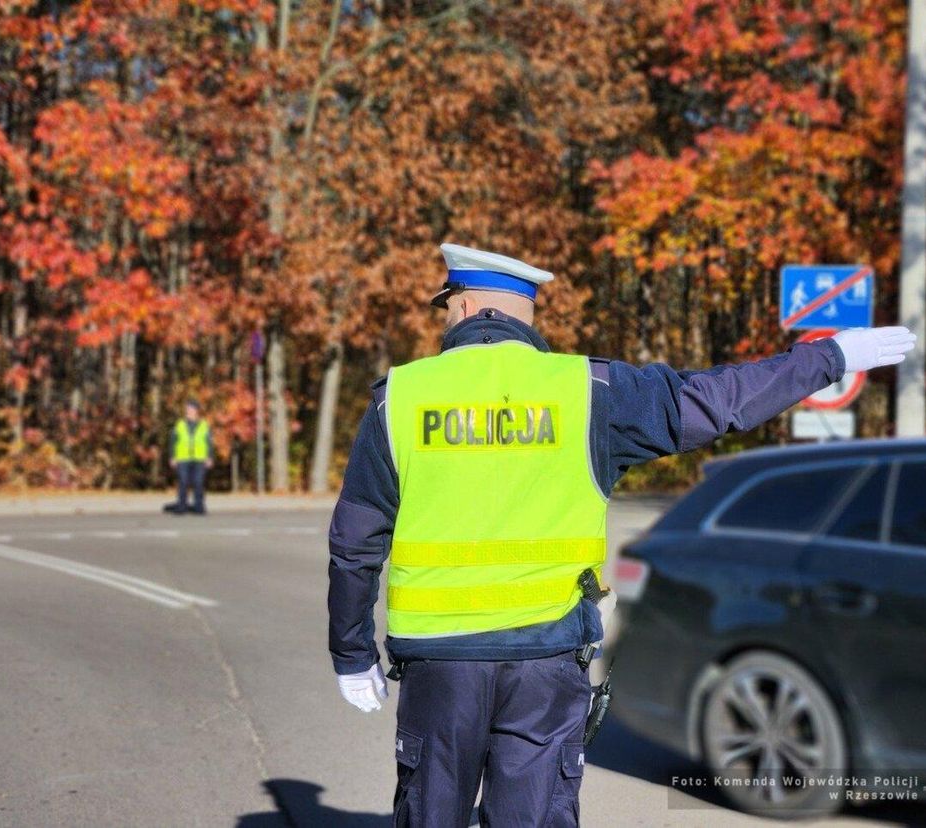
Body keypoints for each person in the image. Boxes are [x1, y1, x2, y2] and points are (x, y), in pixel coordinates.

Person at [327, 243, 915, 827]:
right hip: (547, 661)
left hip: (440, 665)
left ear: (461, 307)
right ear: (524, 313)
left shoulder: (399, 398)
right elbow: (719, 401)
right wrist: (827, 357)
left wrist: (352, 652)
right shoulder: (591, 391)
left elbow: (356, 541)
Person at [166, 400, 213, 515]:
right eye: (187, 410)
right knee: (183, 482)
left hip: (200, 458)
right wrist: (172, 456)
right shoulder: (180, 424)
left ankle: (199, 507)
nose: (188, 412)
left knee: (198, 482)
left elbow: (209, 442)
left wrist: (210, 457)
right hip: (183, 458)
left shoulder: (204, 425)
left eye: (191, 410)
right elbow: (173, 441)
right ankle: (181, 507)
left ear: (196, 411)